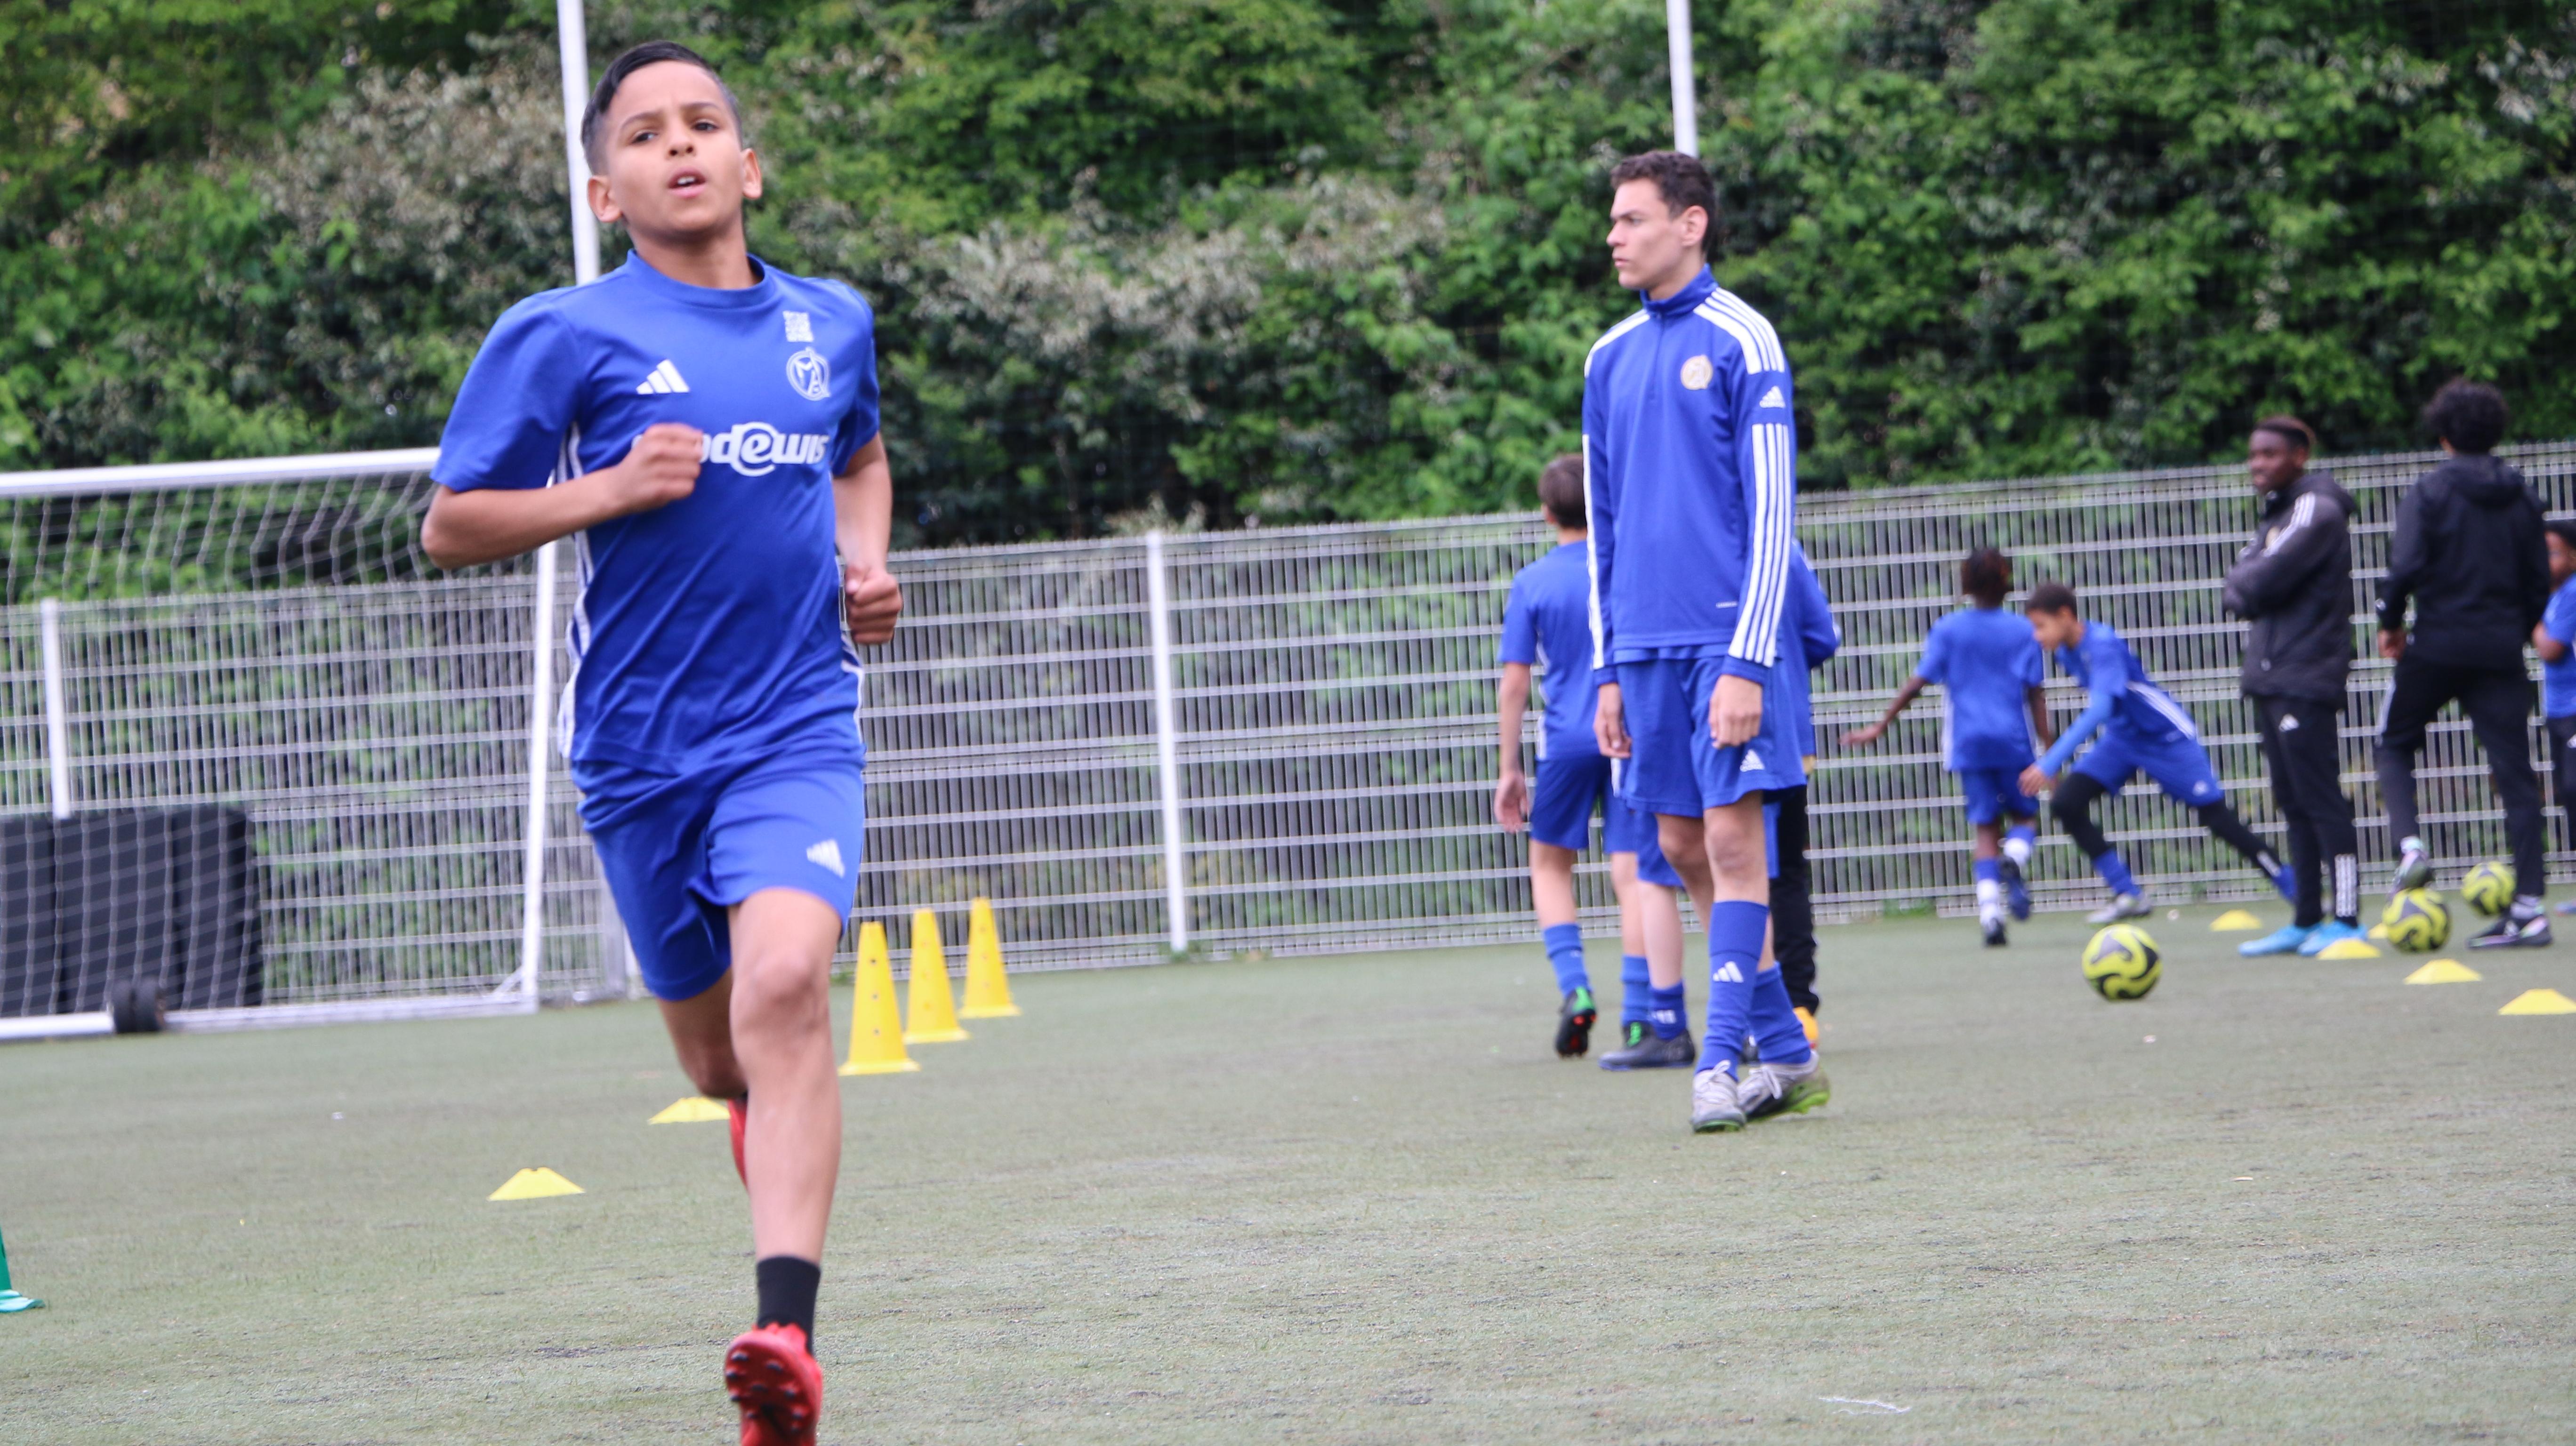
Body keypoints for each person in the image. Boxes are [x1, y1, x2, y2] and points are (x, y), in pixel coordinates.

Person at [418, 42, 897, 1445]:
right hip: (637, 755)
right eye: (643, 133)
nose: (678, 146)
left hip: (796, 726)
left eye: (704, 125)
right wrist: (611, 487)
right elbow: (452, 520)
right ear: (605, 189)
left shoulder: (831, 325)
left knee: (793, 980)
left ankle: (786, 1337)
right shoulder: (560, 335)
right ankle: (774, 1256)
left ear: (747, 165)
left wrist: (864, 567)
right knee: (716, 1062)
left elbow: (859, 455)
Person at [1582, 149, 1823, 1133]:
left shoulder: (1744, 339)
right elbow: (1602, 522)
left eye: (1632, 219)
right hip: (1640, 650)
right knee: (1677, 846)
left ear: (1691, 225)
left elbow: (1775, 516)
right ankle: (1796, 1061)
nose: (1614, 236)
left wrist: (1748, 661)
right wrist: (1604, 669)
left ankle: (1720, 1063)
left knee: (1732, 840)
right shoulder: (1606, 357)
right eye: (1613, 220)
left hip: (1729, 645)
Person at [1493, 454, 1687, 1061]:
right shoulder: (1622, 567)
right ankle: (1639, 1019)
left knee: (1550, 866)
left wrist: (1510, 766)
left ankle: (1576, 990)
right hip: (1629, 735)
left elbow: (1515, 684)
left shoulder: (1533, 582)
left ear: (1547, 513)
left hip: (1566, 742)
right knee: (1634, 877)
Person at [2376, 379, 2553, 948]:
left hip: (2439, 644)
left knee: (2394, 743)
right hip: (2500, 649)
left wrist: (2391, 623)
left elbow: (2404, 567)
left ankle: (2412, 849)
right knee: (2517, 774)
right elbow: (2536, 579)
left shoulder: (2429, 492)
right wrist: (2519, 628)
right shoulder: (2523, 496)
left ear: (2443, 433)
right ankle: (2529, 909)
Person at [2018, 583, 2294, 921]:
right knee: (2066, 804)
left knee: (2218, 820)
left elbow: (2100, 709)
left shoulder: (2101, 645)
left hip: (2167, 738)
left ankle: (2295, 889)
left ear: (2065, 616)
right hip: (2123, 739)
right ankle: (2129, 894)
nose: (2036, 636)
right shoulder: (2065, 651)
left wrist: (2048, 763)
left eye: (2040, 626)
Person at [1842, 548, 2053, 947]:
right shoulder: (2024, 631)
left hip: (1968, 743)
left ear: (1966, 585)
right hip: (2013, 741)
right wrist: (2051, 749)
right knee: (2025, 819)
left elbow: (1917, 683)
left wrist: (1880, 725)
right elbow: (2035, 694)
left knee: (1986, 829)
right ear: (2007, 584)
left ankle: (1991, 916)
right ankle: (2017, 859)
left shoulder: (1948, 629)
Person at [2221, 417, 2367, 957]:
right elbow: (2237, 585)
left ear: (2300, 455)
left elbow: (2256, 581)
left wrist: (2250, 583)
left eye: (2270, 454)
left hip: (2305, 675)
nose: (2258, 464)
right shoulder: (2278, 513)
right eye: (2254, 455)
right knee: (2292, 800)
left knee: (2320, 796)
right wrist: (2248, 583)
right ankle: (2307, 917)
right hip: (2272, 676)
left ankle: (2347, 917)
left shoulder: (2317, 508)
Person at [1762, 545, 1839, 1044]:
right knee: (1785, 875)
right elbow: (1824, 637)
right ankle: (1796, 1008)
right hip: (1787, 735)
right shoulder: (1784, 550)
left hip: (1718, 739)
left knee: (1731, 877)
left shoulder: (1694, 538)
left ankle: (1757, 1012)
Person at [2532, 519, 2576, 913]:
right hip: (2561, 711)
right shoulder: (2557, 595)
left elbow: (2550, 648)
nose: (2546, 560)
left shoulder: (2574, 592)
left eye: (2554, 552)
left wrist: (2529, 617)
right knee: (2567, 790)